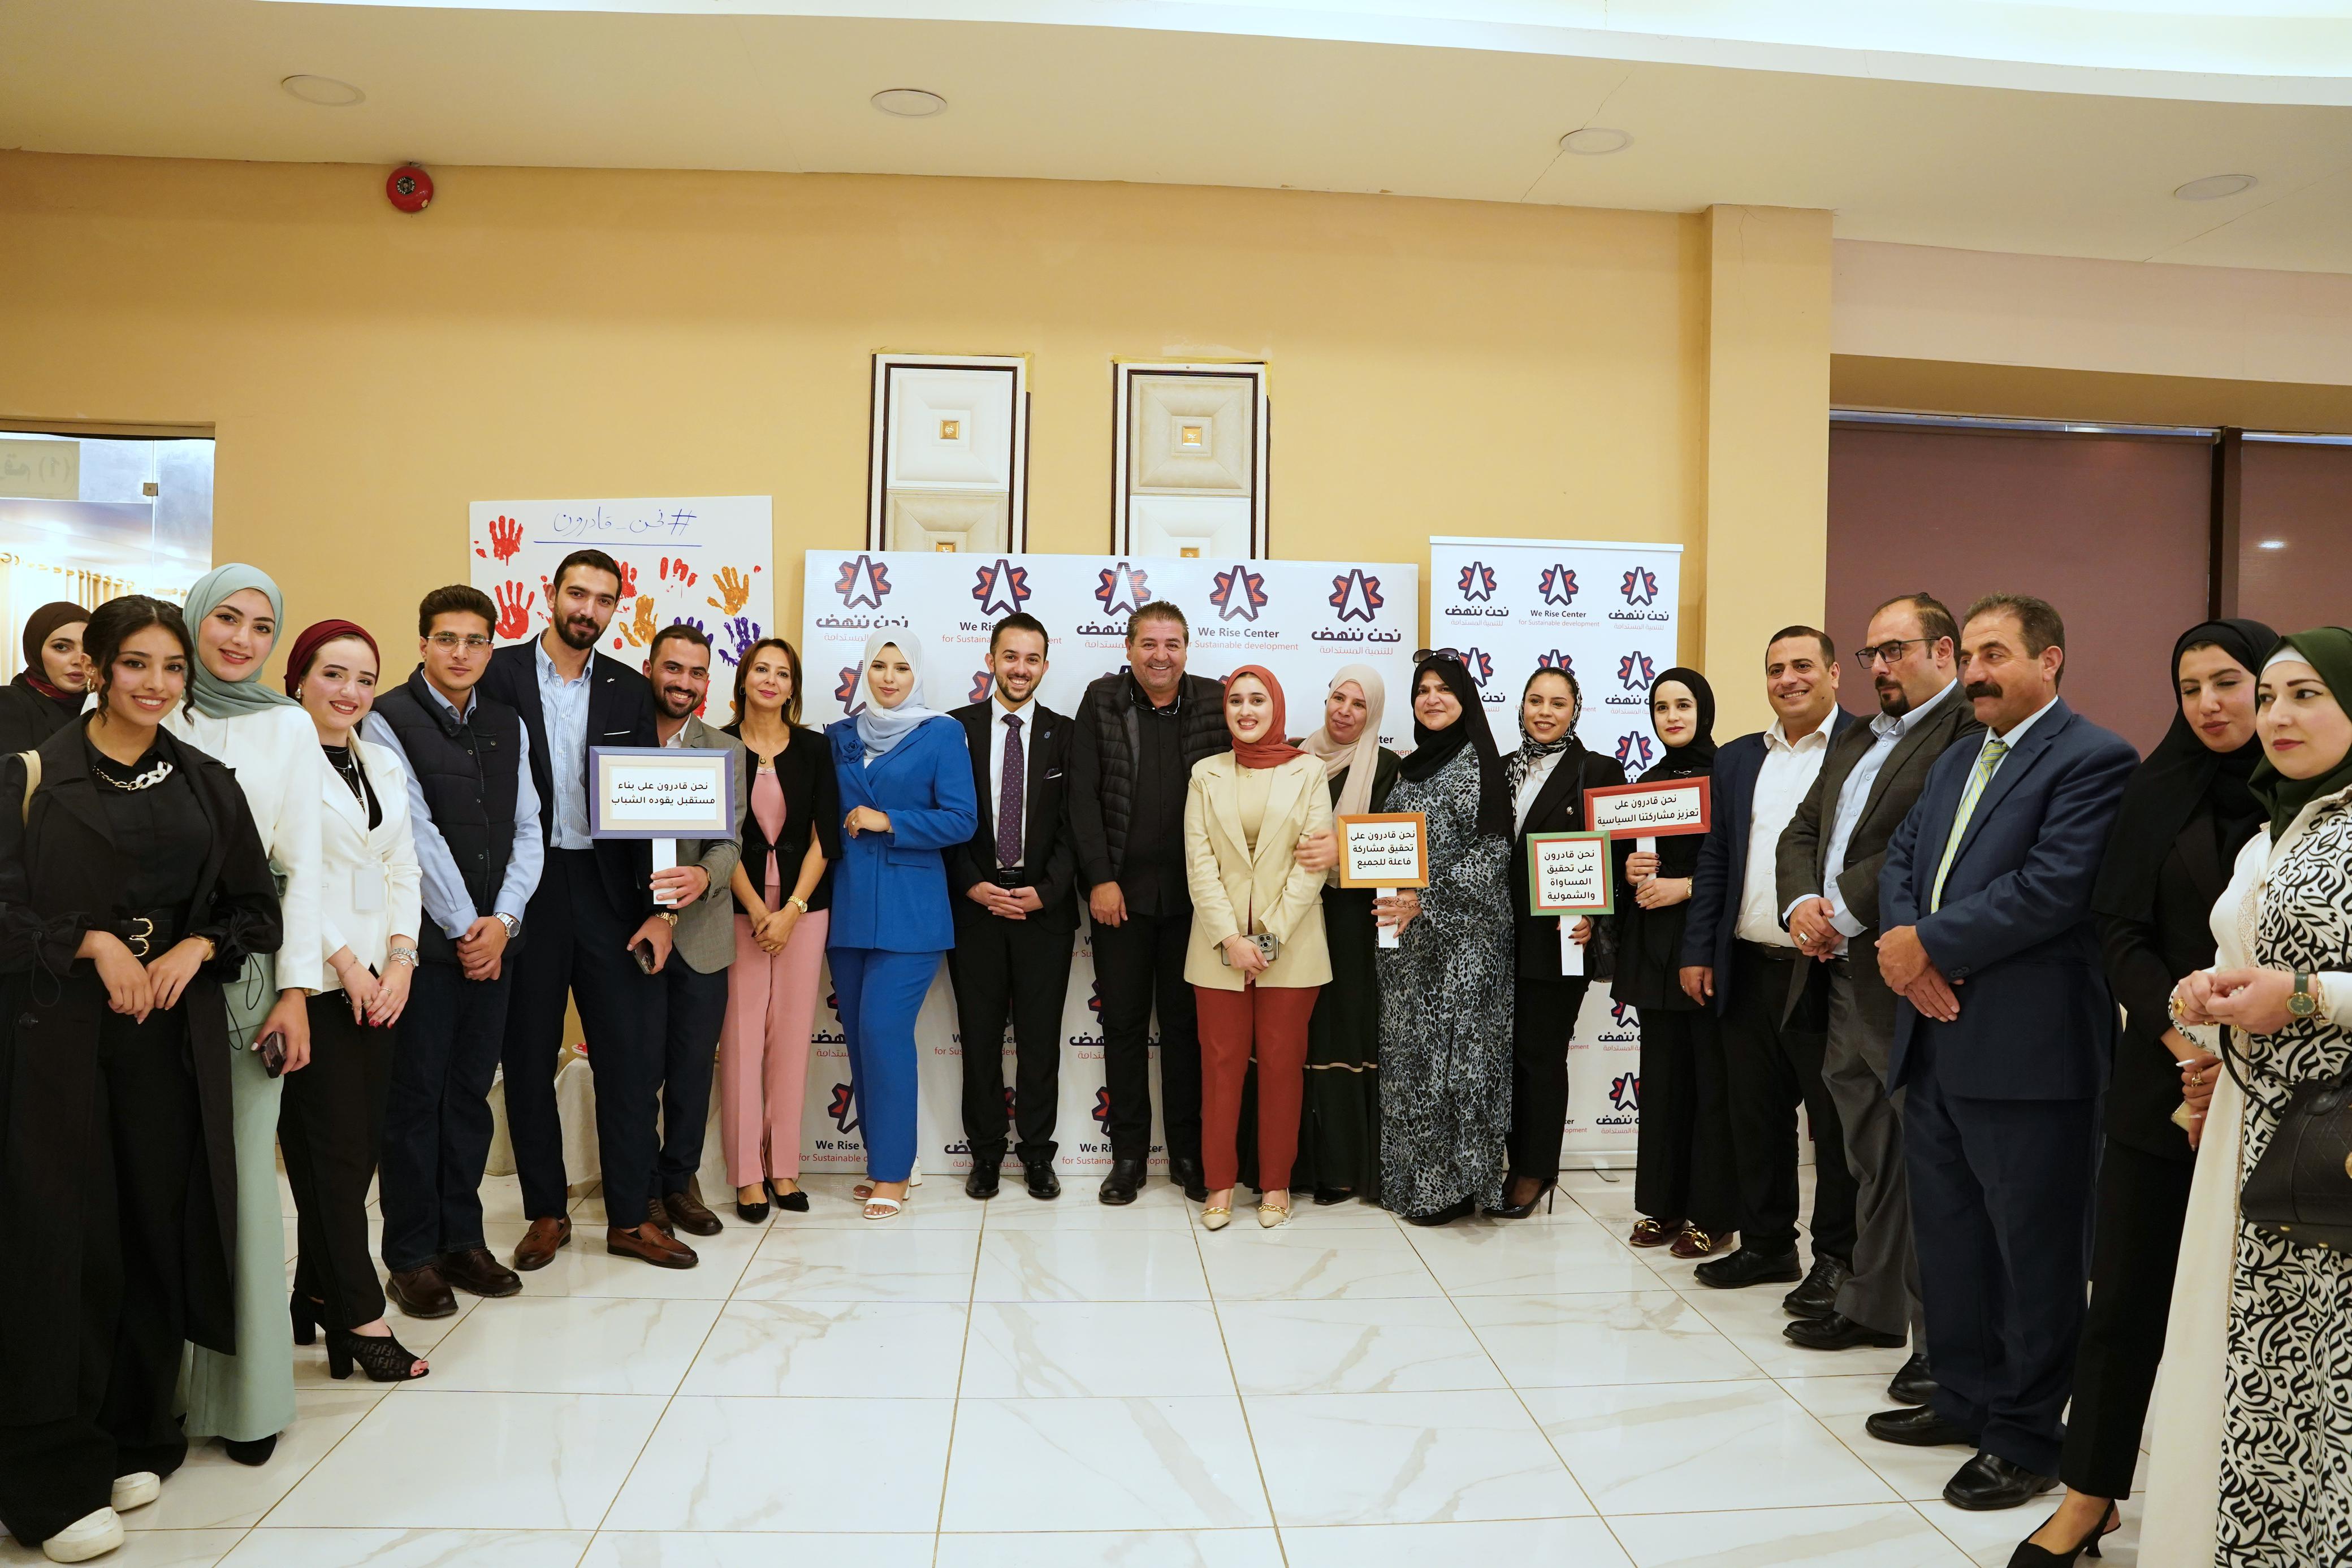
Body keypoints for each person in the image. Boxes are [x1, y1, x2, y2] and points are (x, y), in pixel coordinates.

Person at [0, 596, 280, 1563]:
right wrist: (90, 943)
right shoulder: (33, 773)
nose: (155, 683)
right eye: (135, 664)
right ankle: (45, 1474)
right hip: (57, 1036)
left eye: (171, 667)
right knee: (61, 1240)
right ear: (96, 668)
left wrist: (198, 945)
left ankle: (132, 1429)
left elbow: (254, 903)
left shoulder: (207, 781)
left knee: (156, 1229)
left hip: (170, 1038)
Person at [1867, 594, 2137, 1513]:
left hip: (2031, 1054)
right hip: (1936, 1039)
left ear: (2050, 659)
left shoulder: (2095, 758)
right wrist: (1906, 949)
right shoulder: (1956, 757)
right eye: (1971, 656)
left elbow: (2052, 887)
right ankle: (1965, 1396)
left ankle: (2027, 1436)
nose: (1976, 672)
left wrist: (1926, 945)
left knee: (2036, 1255)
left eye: (1996, 654)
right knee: (1953, 1240)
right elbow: (1901, 860)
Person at [2013, 618, 2271, 1564]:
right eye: (2190, 686)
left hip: (2280, 1097)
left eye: (2229, 680)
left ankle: (2248, 1499)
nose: (2209, 702)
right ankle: (2089, 1495)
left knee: (2256, 1311)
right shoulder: (2155, 789)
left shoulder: (2317, 806)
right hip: (2165, 1079)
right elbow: (2118, 930)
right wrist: (2187, 1043)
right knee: (2123, 1297)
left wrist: (2230, 1051)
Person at [2142, 628, 2352, 1568]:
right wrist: (2206, 1000)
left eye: (2306, 694)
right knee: (2258, 1371)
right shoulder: (2278, 827)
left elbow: (2299, 982)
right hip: (2252, 1128)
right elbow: (2246, 959)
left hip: (2338, 1139)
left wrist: (2306, 996)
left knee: (2332, 1378)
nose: (2277, 716)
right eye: (2269, 698)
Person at [1776, 594, 1978, 1393]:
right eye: (1872, 654)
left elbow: (1917, 839)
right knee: (1867, 1153)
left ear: (1943, 651)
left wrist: (1843, 912)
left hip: (1905, 977)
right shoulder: (1859, 733)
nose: (1880, 667)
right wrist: (1802, 903)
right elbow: (1803, 829)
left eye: (1895, 650)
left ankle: (1938, 1342)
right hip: (1836, 975)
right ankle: (1871, 1303)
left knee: (1928, 1163)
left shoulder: (1964, 729)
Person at [479, 549, 685, 1270]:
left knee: (628, 1062)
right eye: (577, 593)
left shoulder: (629, 688)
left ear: (614, 609)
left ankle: (630, 1216)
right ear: (551, 593)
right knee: (527, 1057)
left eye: (603, 600)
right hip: (525, 889)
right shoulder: (497, 673)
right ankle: (546, 1211)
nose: (587, 609)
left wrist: (662, 910)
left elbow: (655, 803)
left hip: (611, 894)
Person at [171, 565, 325, 1470]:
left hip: (248, 977)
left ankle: (246, 1395)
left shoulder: (288, 723)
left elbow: (300, 864)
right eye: (226, 617)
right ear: (194, 618)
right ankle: (152, 1393)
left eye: (262, 626)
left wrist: (296, 992)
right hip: (146, 975)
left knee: (242, 1183)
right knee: (153, 1175)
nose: (241, 638)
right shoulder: (147, 703)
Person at [364, 586, 543, 1316]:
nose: (460, 653)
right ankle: (411, 1255)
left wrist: (505, 920)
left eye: (475, 640)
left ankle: (462, 1240)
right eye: (446, 638)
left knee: (469, 1096)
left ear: (491, 649)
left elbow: (529, 826)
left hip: (494, 945)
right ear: (422, 643)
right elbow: (413, 832)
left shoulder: (506, 721)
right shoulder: (386, 719)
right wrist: (470, 926)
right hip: (423, 948)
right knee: (414, 1100)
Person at [1680, 627, 1859, 1314]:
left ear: (1834, 673)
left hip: (1827, 969)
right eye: (1775, 668)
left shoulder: (1864, 748)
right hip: (1747, 962)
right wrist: (1699, 948)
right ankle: (1765, 1243)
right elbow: (1716, 859)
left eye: (1802, 665)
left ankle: (1837, 1257)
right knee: (1753, 1115)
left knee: (1832, 1124)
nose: (1788, 678)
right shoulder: (1735, 758)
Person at [279, 620, 428, 1383]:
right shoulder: (280, 761)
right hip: (313, 981)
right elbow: (284, 874)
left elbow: (402, 865)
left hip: (381, 983)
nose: (350, 691)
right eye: (333, 674)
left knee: (356, 1151)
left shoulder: (381, 762)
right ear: (299, 678)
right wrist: (346, 962)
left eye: (365, 678)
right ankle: (361, 1316)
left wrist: (401, 957)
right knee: (330, 1156)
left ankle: (313, 1289)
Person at [1069, 602, 1229, 1205]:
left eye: (1172, 644)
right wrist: (1099, 878)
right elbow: (1082, 797)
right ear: (1129, 647)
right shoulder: (1101, 700)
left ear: (1187, 649)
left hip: (1196, 901)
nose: (1161, 656)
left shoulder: (1215, 701)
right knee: (1124, 1026)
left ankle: (1188, 1153)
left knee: (1187, 1029)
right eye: (1149, 644)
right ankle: (1129, 1157)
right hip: (1122, 899)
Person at [825, 631, 978, 1220]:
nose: (889, 677)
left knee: (883, 1031)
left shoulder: (940, 732)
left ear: (917, 675)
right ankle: (883, 1162)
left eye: (902, 667)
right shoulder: (838, 736)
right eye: (880, 666)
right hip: (847, 908)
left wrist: (889, 820)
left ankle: (893, 1171)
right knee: (861, 1039)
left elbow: (961, 819)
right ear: (865, 671)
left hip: (912, 911)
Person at [1183, 665, 1333, 1230]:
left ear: (1276, 707)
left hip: (1290, 950)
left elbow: (1312, 864)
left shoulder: (1308, 771)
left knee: (1281, 1067)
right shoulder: (1205, 774)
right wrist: (1231, 939)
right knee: (1220, 1068)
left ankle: (1275, 1183)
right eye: (1236, 701)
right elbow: (1199, 863)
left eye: (1257, 700)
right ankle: (1219, 1183)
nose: (1246, 711)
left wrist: (1263, 941)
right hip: (1216, 947)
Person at [1376, 653, 1514, 1225]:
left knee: (1459, 1067)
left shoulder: (1481, 762)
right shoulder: (1407, 768)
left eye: (1444, 689)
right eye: (1422, 689)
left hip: (1465, 948)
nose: (1431, 698)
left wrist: (1422, 900)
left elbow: (1492, 854)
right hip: (1408, 948)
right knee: (1412, 1065)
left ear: (1465, 699)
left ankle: (1456, 1188)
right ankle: (1413, 1182)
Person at [946, 613, 1078, 1201]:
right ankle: (985, 1154)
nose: (1020, 668)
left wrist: (1047, 890)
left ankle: (1037, 1154)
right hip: (975, 907)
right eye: (1010, 656)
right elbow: (942, 819)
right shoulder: (953, 729)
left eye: (1031, 659)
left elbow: (1079, 825)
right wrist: (972, 884)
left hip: (1042, 911)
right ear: (991, 660)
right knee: (978, 1040)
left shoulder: (1066, 734)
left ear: (1044, 666)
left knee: (1039, 1042)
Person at [1613, 668, 1739, 1260]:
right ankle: (1662, 1207)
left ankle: (1713, 1215)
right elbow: (1626, 863)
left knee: (1712, 1085)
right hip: (1654, 952)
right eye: (1661, 707)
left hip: (1706, 945)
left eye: (1683, 704)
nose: (1672, 716)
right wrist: (1629, 870)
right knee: (1662, 1086)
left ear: (1703, 710)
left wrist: (1683, 887)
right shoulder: (1646, 784)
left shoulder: (1731, 775)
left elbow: (1741, 863)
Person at [1497, 664, 1627, 1218]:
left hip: (1559, 940)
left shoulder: (1597, 770)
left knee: (1539, 1055)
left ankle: (1534, 1170)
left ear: (1575, 710)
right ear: (1521, 706)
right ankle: (1506, 1162)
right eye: (1535, 700)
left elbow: (1618, 855)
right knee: (1503, 1056)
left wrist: (1596, 914)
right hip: (1495, 939)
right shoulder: (1500, 768)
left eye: (1557, 702)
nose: (1544, 712)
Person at [718, 638, 836, 1223]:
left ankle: (783, 1165)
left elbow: (825, 836)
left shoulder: (815, 748)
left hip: (803, 911)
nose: (771, 679)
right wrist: (756, 907)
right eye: (761, 669)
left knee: (790, 1039)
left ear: (793, 688)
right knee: (741, 1040)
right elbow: (715, 835)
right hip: (735, 907)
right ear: (743, 679)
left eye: (782, 673)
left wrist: (791, 909)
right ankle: (746, 1174)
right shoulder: (715, 744)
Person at [641, 624, 747, 1239]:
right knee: (634, 1075)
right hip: (631, 935)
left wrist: (704, 876)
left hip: (703, 937)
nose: (684, 682)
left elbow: (729, 841)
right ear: (650, 669)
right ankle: (640, 1191)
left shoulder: (724, 749)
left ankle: (678, 1184)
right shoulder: (617, 739)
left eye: (697, 672)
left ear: (708, 681)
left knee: (690, 1072)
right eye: (673, 668)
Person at [1291, 664, 1400, 1205]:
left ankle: (1341, 1168)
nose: (1345, 711)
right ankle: (1295, 1166)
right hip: (1294, 915)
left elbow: (1399, 849)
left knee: (1343, 1035)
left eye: (1359, 704)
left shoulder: (1390, 769)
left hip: (1355, 921)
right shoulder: (1293, 758)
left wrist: (1344, 848)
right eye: (1339, 698)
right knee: (1299, 1035)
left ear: (1372, 713)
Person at [0, 600, 92, 752]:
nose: (79, 661)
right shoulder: (9, 703)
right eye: (61, 647)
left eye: (89, 649)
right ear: (35, 649)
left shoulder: (101, 703)